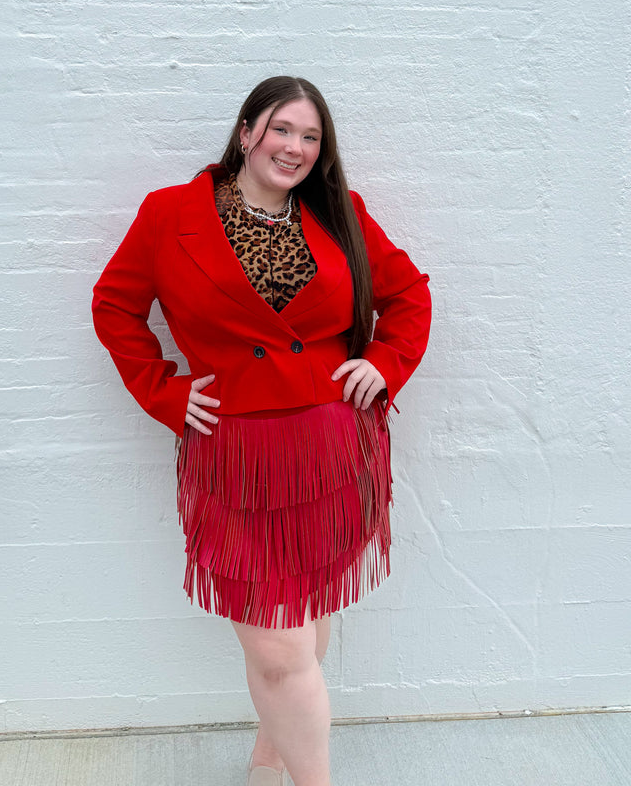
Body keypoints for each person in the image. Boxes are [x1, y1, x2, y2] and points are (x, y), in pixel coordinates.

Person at [91, 76, 432, 786]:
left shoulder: (337, 212)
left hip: (331, 452)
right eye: (283, 129)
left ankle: (270, 760)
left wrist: (385, 362)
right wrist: (165, 391)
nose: (296, 148)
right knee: (279, 647)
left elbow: (407, 293)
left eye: (311, 137)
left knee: (301, 623)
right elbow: (114, 306)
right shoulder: (169, 215)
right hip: (237, 454)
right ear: (247, 131)